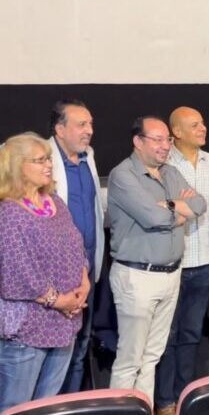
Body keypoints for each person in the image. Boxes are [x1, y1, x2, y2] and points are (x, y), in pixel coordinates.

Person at [107, 116, 206, 402]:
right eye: (158, 139)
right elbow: (153, 217)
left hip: (170, 275)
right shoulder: (123, 175)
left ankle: (143, 408)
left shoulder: (170, 172)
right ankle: (120, 409)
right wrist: (180, 213)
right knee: (130, 360)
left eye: (168, 140)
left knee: (152, 357)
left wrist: (170, 204)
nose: (165, 146)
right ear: (138, 141)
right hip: (137, 276)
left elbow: (200, 203)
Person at [0, 132, 90, 410]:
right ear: (17, 166)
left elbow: (77, 245)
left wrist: (83, 282)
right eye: (39, 160)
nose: (48, 165)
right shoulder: (8, 212)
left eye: (48, 159)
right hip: (28, 329)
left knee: (48, 406)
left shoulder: (55, 202)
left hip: (65, 323)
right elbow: (16, 271)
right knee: (16, 407)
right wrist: (59, 301)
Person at [154, 107, 209, 415]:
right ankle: (164, 400)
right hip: (174, 262)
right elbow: (164, 209)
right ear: (176, 132)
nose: (202, 128)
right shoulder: (164, 163)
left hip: (205, 260)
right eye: (195, 125)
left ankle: (184, 395)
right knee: (167, 336)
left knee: (192, 334)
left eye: (203, 123)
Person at [46, 100, 105, 394]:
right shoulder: (41, 161)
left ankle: (73, 404)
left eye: (90, 124)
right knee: (53, 356)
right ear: (59, 129)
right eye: (81, 124)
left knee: (81, 347)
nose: (89, 130)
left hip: (87, 271)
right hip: (55, 278)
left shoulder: (87, 158)